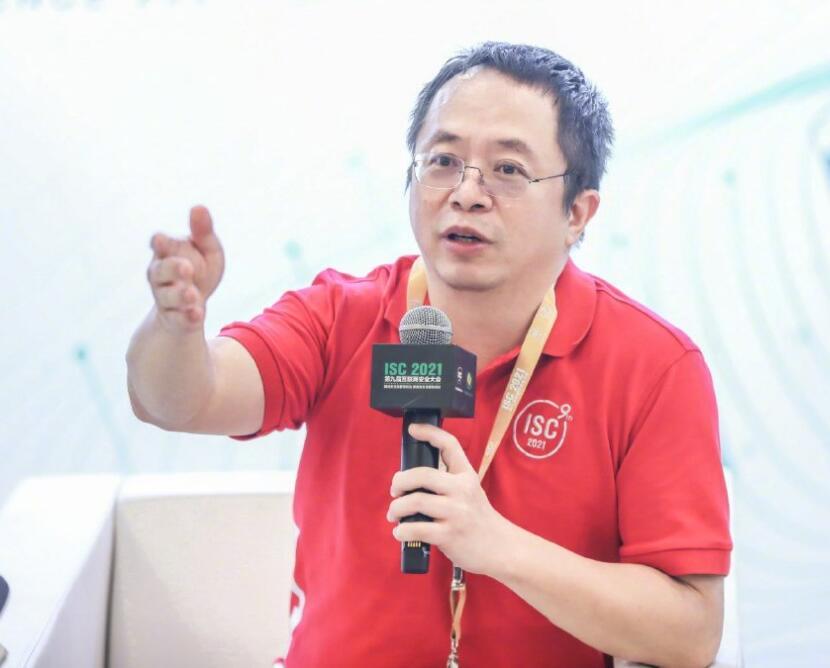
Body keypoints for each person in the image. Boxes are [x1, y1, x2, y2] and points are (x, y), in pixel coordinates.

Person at [126, 42, 732, 668]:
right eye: (443, 160)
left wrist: (497, 546)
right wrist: (174, 329)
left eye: (508, 169)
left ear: (577, 212)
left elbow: (689, 634)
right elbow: (179, 401)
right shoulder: (339, 317)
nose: (467, 193)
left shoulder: (655, 367)